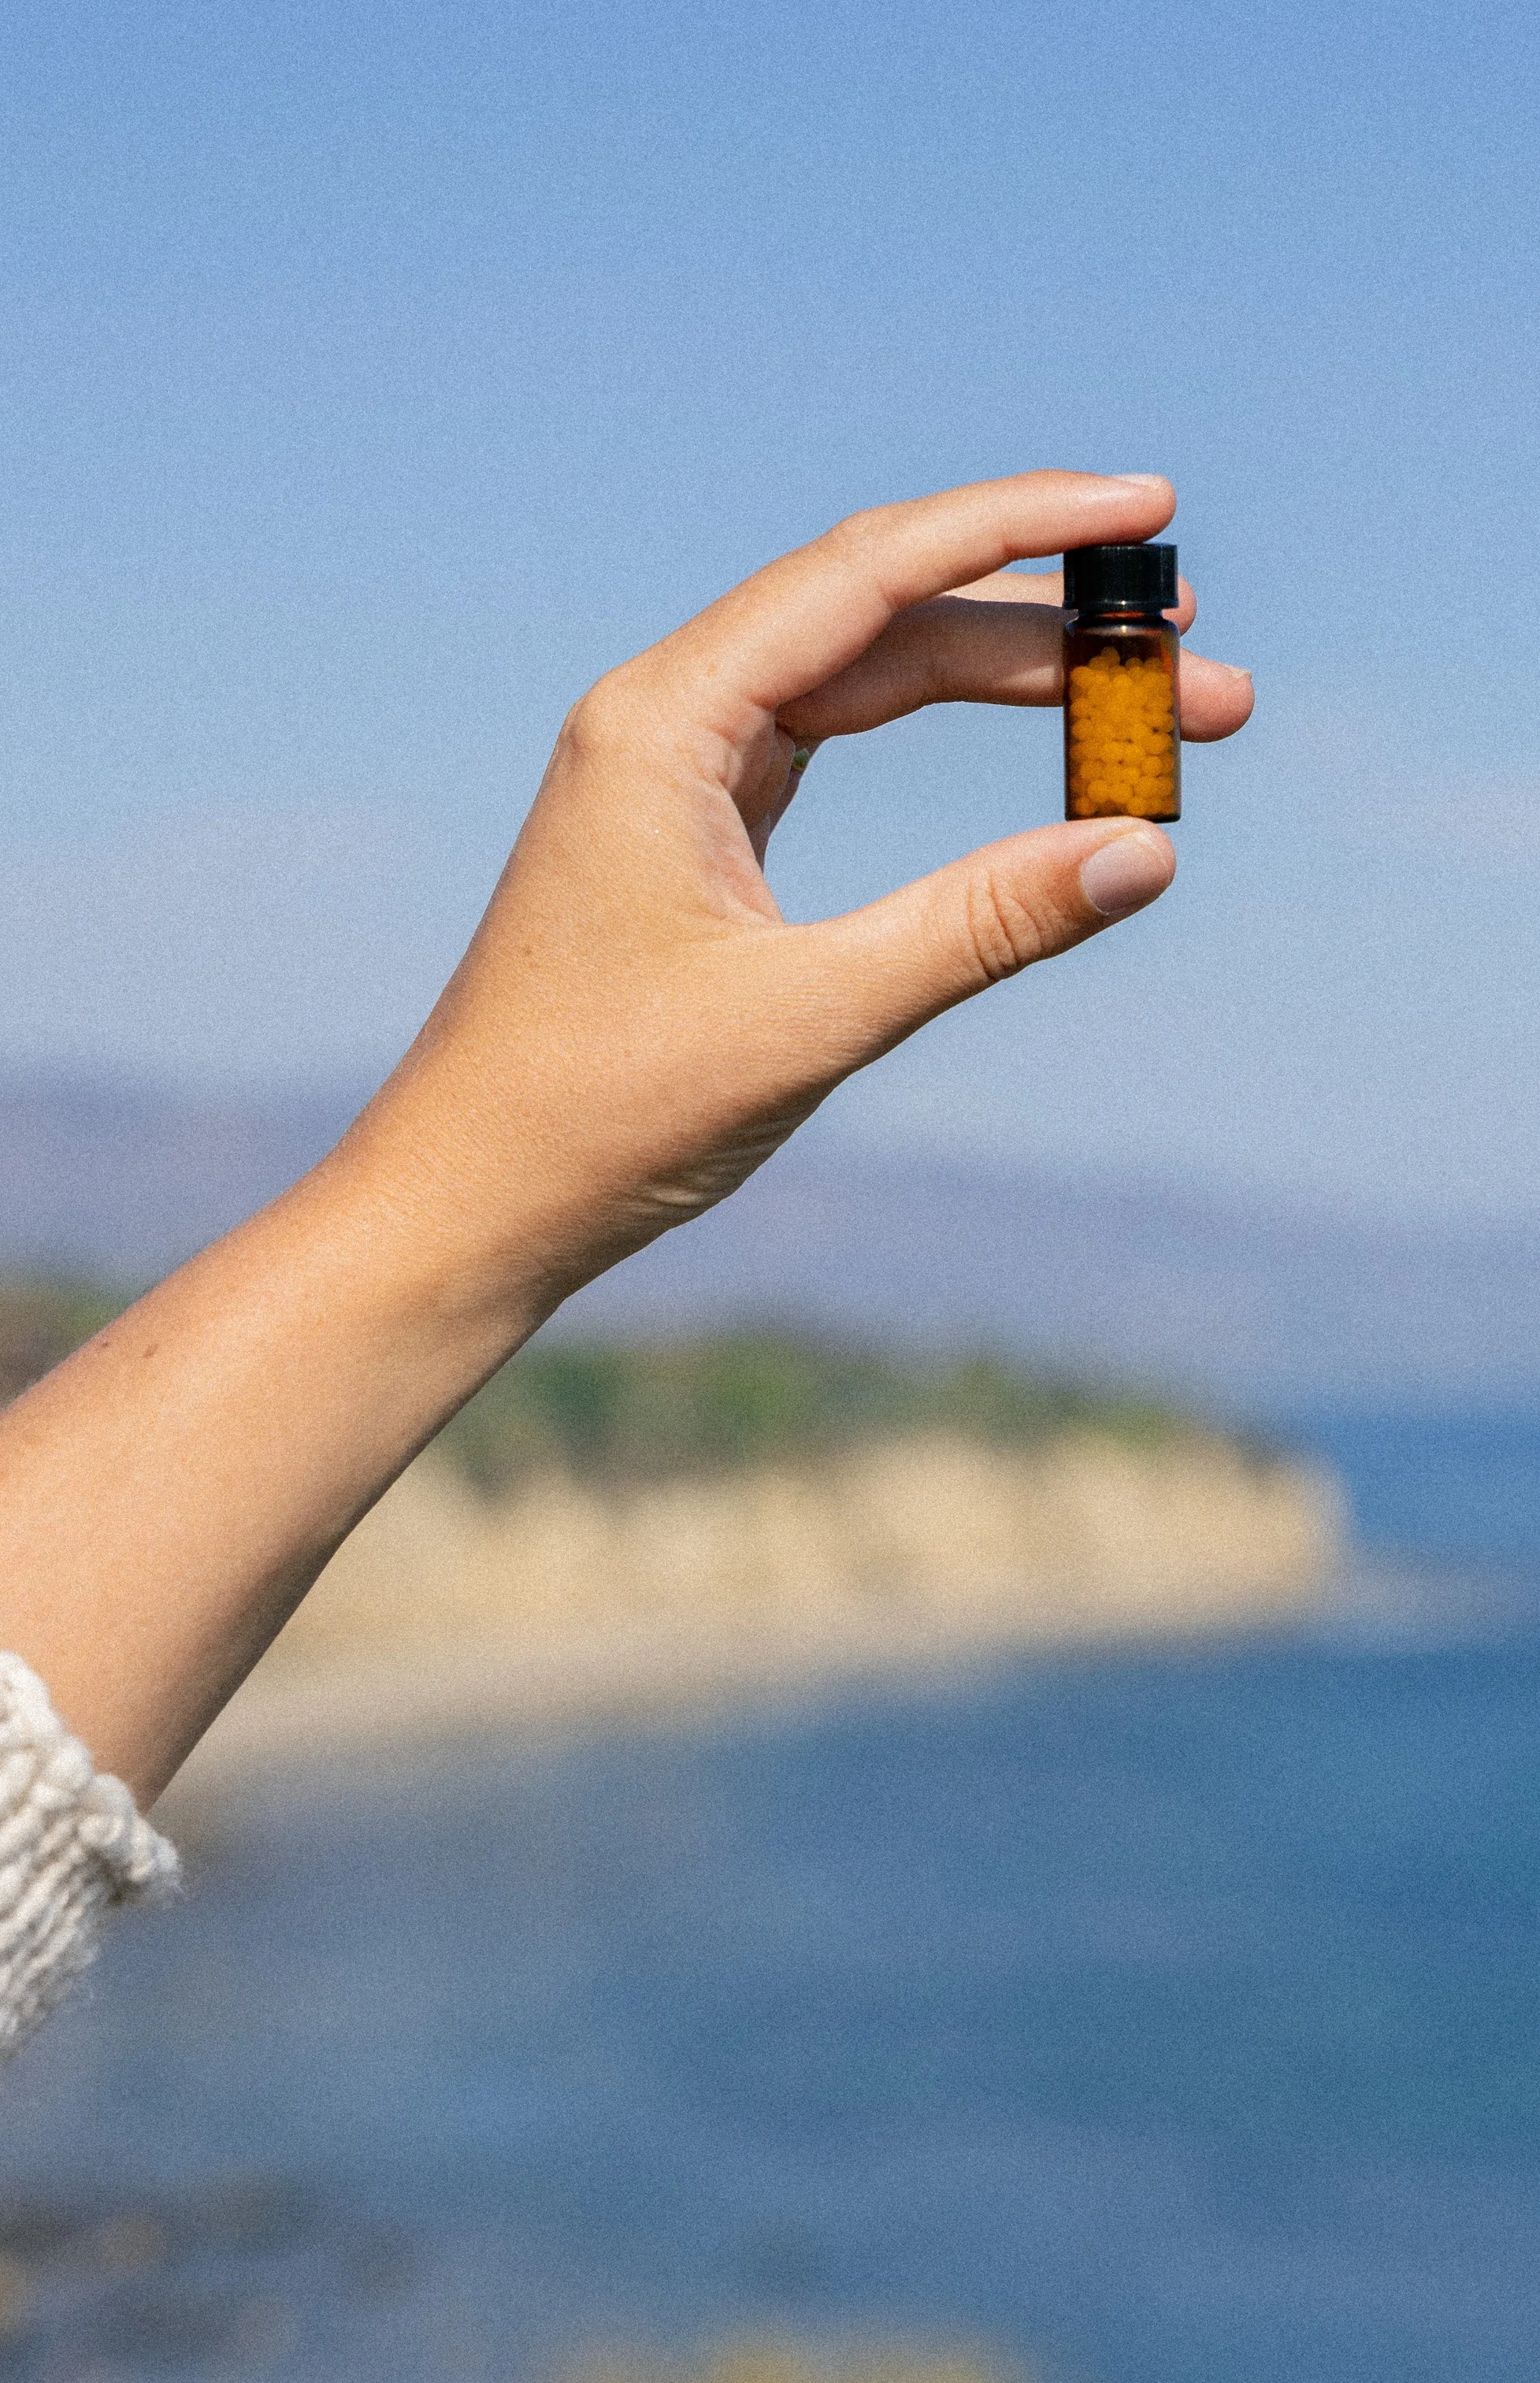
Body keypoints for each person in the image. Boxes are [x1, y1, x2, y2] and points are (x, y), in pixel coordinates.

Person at [0, 471, 1252, 2056]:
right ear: (1120, 634)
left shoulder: (1110, 688)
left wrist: (447, 1210)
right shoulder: (1118, 713)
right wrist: (458, 1204)